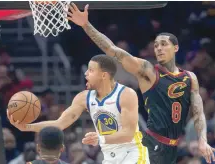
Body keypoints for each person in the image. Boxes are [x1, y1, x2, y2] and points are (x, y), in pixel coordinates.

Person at [66, 3, 215, 164]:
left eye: (164, 44)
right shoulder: (148, 71)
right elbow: (112, 49)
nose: (158, 48)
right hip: (152, 143)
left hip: (175, 145)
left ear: (176, 48)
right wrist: (86, 25)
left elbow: (198, 112)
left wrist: (202, 139)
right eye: (156, 45)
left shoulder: (189, 77)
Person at [8, 55, 149, 164]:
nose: (86, 73)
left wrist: (100, 139)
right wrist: (26, 127)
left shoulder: (126, 94)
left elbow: (128, 134)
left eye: (91, 70)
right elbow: (59, 124)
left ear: (104, 75)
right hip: (110, 157)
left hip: (134, 155)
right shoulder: (84, 98)